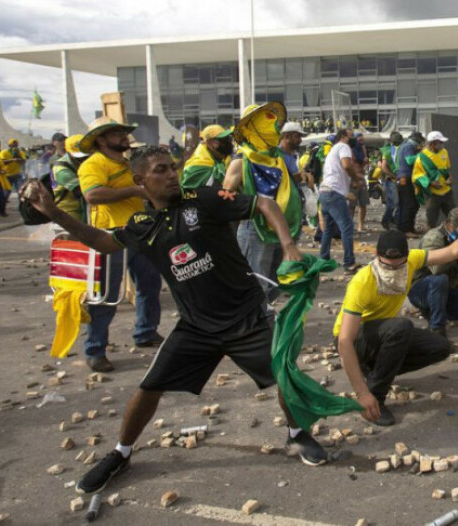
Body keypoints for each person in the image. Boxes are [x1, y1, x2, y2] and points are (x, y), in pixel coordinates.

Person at [21, 146, 336, 496]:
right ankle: (121, 453)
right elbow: (101, 241)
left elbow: (263, 203)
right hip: (196, 327)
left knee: (285, 377)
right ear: (141, 180)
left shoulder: (203, 199)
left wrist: (289, 244)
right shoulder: (142, 225)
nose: (171, 174)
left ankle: (296, 434)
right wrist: (52, 211)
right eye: (160, 170)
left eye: (172, 167)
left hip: (246, 317)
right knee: (148, 387)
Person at [335, 204, 458, 426]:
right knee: (401, 327)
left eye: (399, 266)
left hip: (384, 333)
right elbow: (344, 340)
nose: (393, 271)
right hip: (356, 340)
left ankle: (376, 372)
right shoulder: (362, 282)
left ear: (407, 258)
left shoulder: (414, 260)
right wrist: (362, 393)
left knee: (440, 347)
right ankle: (375, 398)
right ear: (377, 256)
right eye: (387, 266)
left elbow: (455, 251)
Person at [77, 118, 165, 372]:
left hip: (139, 231)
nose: (124, 137)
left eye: (123, 132)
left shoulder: (126, 163)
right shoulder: (93, 164)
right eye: (116, 133)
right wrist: (134, 191)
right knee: (106, 295)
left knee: (149, 285)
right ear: (101, 140)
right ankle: (95, 349)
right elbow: (93, 195)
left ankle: (146, 332)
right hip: (109, 235)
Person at [223, 103, 304, 307]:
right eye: (265, 123)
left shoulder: (276, 158)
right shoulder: (242, 160)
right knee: (256, 284)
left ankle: (261, 314)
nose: (273, 128)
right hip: (254, 227)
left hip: (280, 226)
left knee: (276, 282)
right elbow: (226, 197)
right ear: (252, 128)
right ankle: (255, 320)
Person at [408, 208, 458, 337]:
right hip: (422, 288)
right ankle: (437, 329)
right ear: (448, 225)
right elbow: (436, 269)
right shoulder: (433, 238)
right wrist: (456, 250)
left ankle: (436, 311)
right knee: (440, 280)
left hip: (446, 290)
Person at [318, 128, 362, 273]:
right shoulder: (343, 146)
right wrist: (356, 179)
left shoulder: (333, 150)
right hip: (333, 193)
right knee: (347, 227)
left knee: (328, 229)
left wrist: (350, 185)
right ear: (343, 136)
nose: (354, 139)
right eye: (351, 136)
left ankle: (323, 260)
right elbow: (346, 165)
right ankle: (349, 263)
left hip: (325, 192)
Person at [413, 131, 455, 230]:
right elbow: (417, 176)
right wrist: (431, 183)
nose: (442, 145)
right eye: (440, 142)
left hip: (447, 192)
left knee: (454, 217)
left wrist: (450, 178)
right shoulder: (422, 157)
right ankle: (431, 236)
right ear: (433, 143)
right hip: (432, 195)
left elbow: (447, 169)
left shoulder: (444, 152)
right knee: (431, 220)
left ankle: (455, 236)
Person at [50, 134, 89, 223]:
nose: (83, 158)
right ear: (68, 151)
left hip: (82, 210)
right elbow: (82, 192)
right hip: (69, 214)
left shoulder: (79, 163)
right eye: (79, 156)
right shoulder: (61, 170)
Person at [181, 125, 233, 190]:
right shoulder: (198, 163)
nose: (227, 143)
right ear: (209, 142)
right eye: (223, 140)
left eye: (228, 139)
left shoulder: (217, 157)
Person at [395, 132, 423, 236]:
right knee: (409, 204)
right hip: (406, 178)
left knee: (409, 204)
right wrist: (422, 154)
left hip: (405, 178)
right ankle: (406, 229)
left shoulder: (406, 146)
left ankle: (407, 227)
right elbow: (410, 161)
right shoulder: (408, 146)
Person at [378, 132, 402, 230]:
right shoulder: (388, 151)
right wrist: (393, 176)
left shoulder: (394, 150)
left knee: (395, 203)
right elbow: (383, 166)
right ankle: (387, 221)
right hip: (390, 180)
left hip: (393, 179)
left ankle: (394, 221)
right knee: (393, 203)